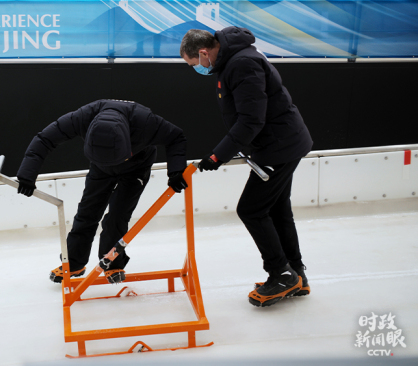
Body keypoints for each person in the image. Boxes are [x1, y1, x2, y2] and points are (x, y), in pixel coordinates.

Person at [180, 27, 313, 307]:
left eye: (194, 64)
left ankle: (281, 274)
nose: (198, 69)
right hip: (280, 143)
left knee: (251, 210)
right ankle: (296, 274)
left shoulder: (241, 64)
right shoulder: (236, 59)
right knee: (277, 208)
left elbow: (252, 120)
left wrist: (217, 156)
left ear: (204, 53)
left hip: (279, 147)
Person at [16, 99, 188, 284]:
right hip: (100, 167)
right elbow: (45, 138)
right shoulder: (82, 117)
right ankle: (74, 263)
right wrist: (27, 174)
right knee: (87, 212)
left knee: (117, 215)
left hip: (136, 167)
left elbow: (176, 137)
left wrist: (176, 171)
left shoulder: (145, 122)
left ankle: (113, 263)